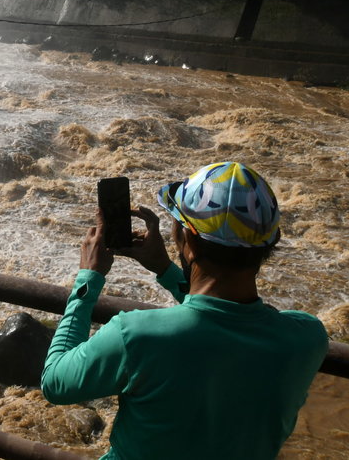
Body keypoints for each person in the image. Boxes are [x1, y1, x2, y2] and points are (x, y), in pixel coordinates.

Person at [41, 162, 328, 460]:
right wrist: (165, 269)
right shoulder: (306, 339)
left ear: (187, 242)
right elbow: (222, 317)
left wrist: (88, 279)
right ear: (271, 242)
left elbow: (55, 381)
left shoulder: (136, 335)